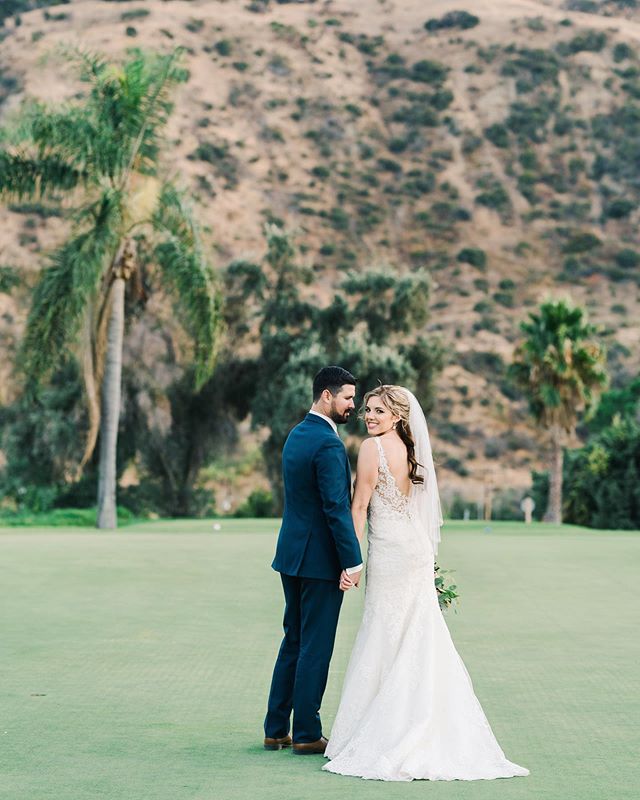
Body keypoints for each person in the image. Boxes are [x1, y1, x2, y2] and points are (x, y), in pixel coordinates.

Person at [323, 385, 529, 781]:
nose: (369, 416)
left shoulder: (372, 448)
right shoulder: (409, 445)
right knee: (417, 634)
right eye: (367, 410)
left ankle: (385, 732)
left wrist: (352, 560)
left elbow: (360, 505)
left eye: (379, 411)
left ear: (397, 415)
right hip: (414, 548)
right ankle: (423, 721)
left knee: (385, 632)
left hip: (390, 552)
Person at [263, 366, 363, 755]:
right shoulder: (328, 445)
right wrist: (352, 561)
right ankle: (306, 733)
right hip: (320, 562)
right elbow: (335, 507)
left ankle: (275, 728)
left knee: (294, 640)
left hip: (291, 557)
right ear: (326, 395)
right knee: (315, 647)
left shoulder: (296, 435)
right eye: (348, 398)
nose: (352, 405)